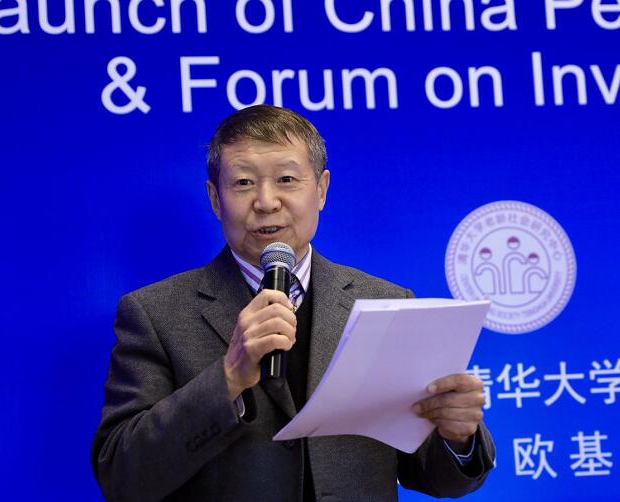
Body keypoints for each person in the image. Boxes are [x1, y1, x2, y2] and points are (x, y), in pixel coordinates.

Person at [92, 105, 495, 501]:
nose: (266, 201)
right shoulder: (156, 314)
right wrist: (227, 378)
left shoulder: (387, 303)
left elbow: (435, 476)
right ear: (215, 199)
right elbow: (123, 477)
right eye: (244, 183)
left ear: (320, 190)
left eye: (286, 179)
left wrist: (458, 437)